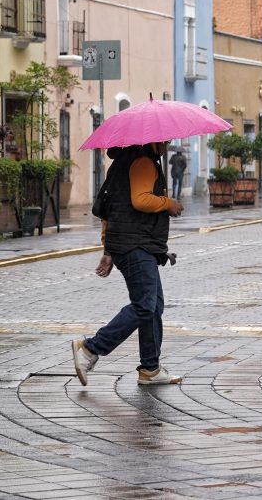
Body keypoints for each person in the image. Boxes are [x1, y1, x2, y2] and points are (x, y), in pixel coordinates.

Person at [72, 142, 184, 387]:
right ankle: (90, 348)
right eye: (163, 140)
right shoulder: (143, 162)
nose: (166, 144)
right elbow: (140, 200)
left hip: (128, 244)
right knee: (145, 306)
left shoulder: (122, 162)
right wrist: (168, 203)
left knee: (153, 306)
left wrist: (109, 250)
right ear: (152, 141)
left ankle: (150, 369)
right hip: (137, 246)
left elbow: (112, 210)